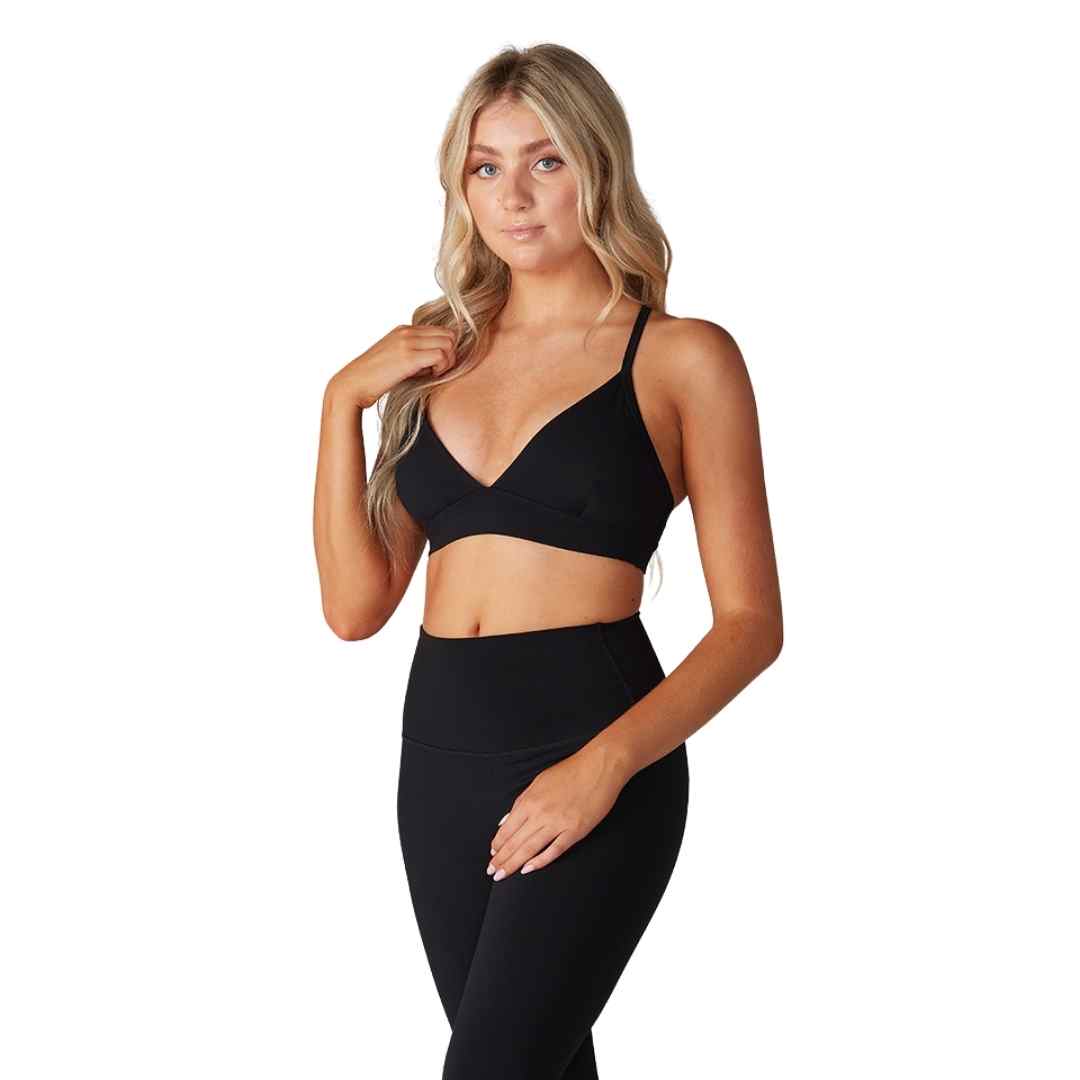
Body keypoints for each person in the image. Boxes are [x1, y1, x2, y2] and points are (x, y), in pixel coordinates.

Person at [313, 43, 783, 1080]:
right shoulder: (435, 355)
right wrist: (340, 402)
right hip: (439, 759)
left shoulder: (680, 356)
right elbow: (355, 607)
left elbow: (753, 625)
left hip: (596, 747)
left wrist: (601, 768)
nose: (513, 196)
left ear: (597, 167)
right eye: (485, 167)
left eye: (546, 161)